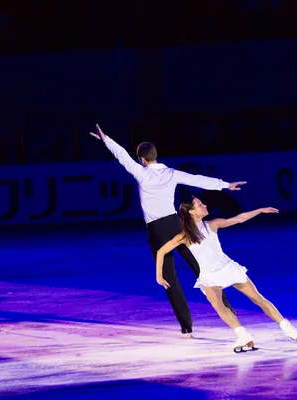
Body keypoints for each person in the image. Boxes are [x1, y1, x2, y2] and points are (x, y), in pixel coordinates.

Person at [90, 125, 246, 337]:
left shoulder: (140, 172)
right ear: (155, 156)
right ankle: (230, 311)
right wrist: (226, 185)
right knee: (201, 266)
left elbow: (122, 156)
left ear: (142, 160)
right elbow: (197, 179)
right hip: (176, 224)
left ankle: (187, 328)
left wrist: (106, 139)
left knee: (168, 277)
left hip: (156, 230)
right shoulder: (171, 173)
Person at [155, 197, 297, 352]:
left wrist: (259, 210)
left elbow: (239, 219)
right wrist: (159, 275)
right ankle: (242, 334)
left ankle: (287, 327)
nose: (204, 205)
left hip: (227, 268)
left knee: (257, 298)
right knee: (218, 304)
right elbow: (161, 251)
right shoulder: (184, 236)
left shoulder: (212, 224)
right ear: (191, 211)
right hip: (209, 275)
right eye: (200, 204)